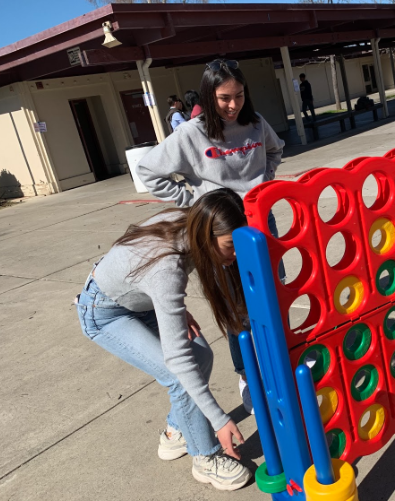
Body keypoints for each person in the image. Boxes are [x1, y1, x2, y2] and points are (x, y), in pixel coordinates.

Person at [75, 189, 253, 491]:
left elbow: (140, 271)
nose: (235, 253)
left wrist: (174, 309)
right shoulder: (167, 270)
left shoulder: (192, 222)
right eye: (229, 246)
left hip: (137, 299)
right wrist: (219, 420)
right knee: (179, 374)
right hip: (105, 312)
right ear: (206, 235)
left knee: (203, 356)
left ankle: (176, 430)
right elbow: (178, 359)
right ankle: (206, 458)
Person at [137, 59, 285, 413]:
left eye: (238, 95)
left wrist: (264, 182)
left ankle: (280, 365)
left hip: (261, 224)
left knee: (273, 297)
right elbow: (148, 170)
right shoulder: (191, 133)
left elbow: (276, 150)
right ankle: (248, 375)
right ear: (209, 95)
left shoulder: (255, 123)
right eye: (223, 98)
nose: (233, 105)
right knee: (236, 308)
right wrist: (194, 202)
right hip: (221, 233)